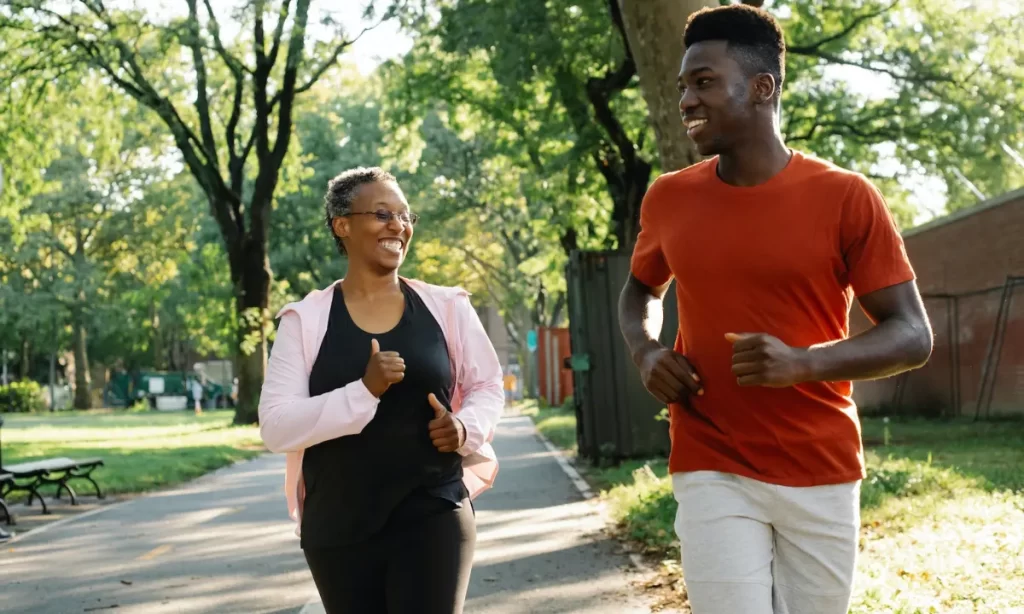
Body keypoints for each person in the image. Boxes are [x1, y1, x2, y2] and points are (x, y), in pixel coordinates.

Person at [617, 6, 933, 614]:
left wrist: (803, 363)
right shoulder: (670, 198)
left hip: (821, 465)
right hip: (712, 459)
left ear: (762, 88)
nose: (686, 98)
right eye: (683, 85)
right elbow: (639, 291)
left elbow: (912, 334)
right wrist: (645, 349)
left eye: (703, 81)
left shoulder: (846, 197)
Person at [258, 166, 504, 614]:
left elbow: (488, 384)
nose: (399, 226)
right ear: (343, 225)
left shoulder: (446, 306)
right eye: (382, 213)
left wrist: (466, 428)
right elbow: (276, 427)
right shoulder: (305, 320)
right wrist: (364, 392)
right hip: (338, 524)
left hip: (434, 508)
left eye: (405, 216)